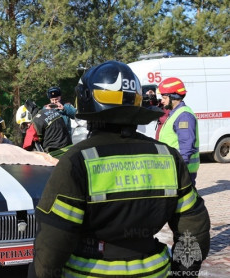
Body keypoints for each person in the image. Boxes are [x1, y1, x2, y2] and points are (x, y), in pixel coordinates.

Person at [28, 61, 210, 278]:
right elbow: (194, 229)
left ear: (85, 101)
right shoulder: (169, 157)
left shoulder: (77, 161)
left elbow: (51, 245)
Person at [157, 77, 200, 186]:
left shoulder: (183, 116)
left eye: (164, 97)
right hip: (174, 169)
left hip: (180, 171)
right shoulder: (175, 113)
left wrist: (181, 170)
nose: (162, 100)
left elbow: (186, 146)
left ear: (173, 97)